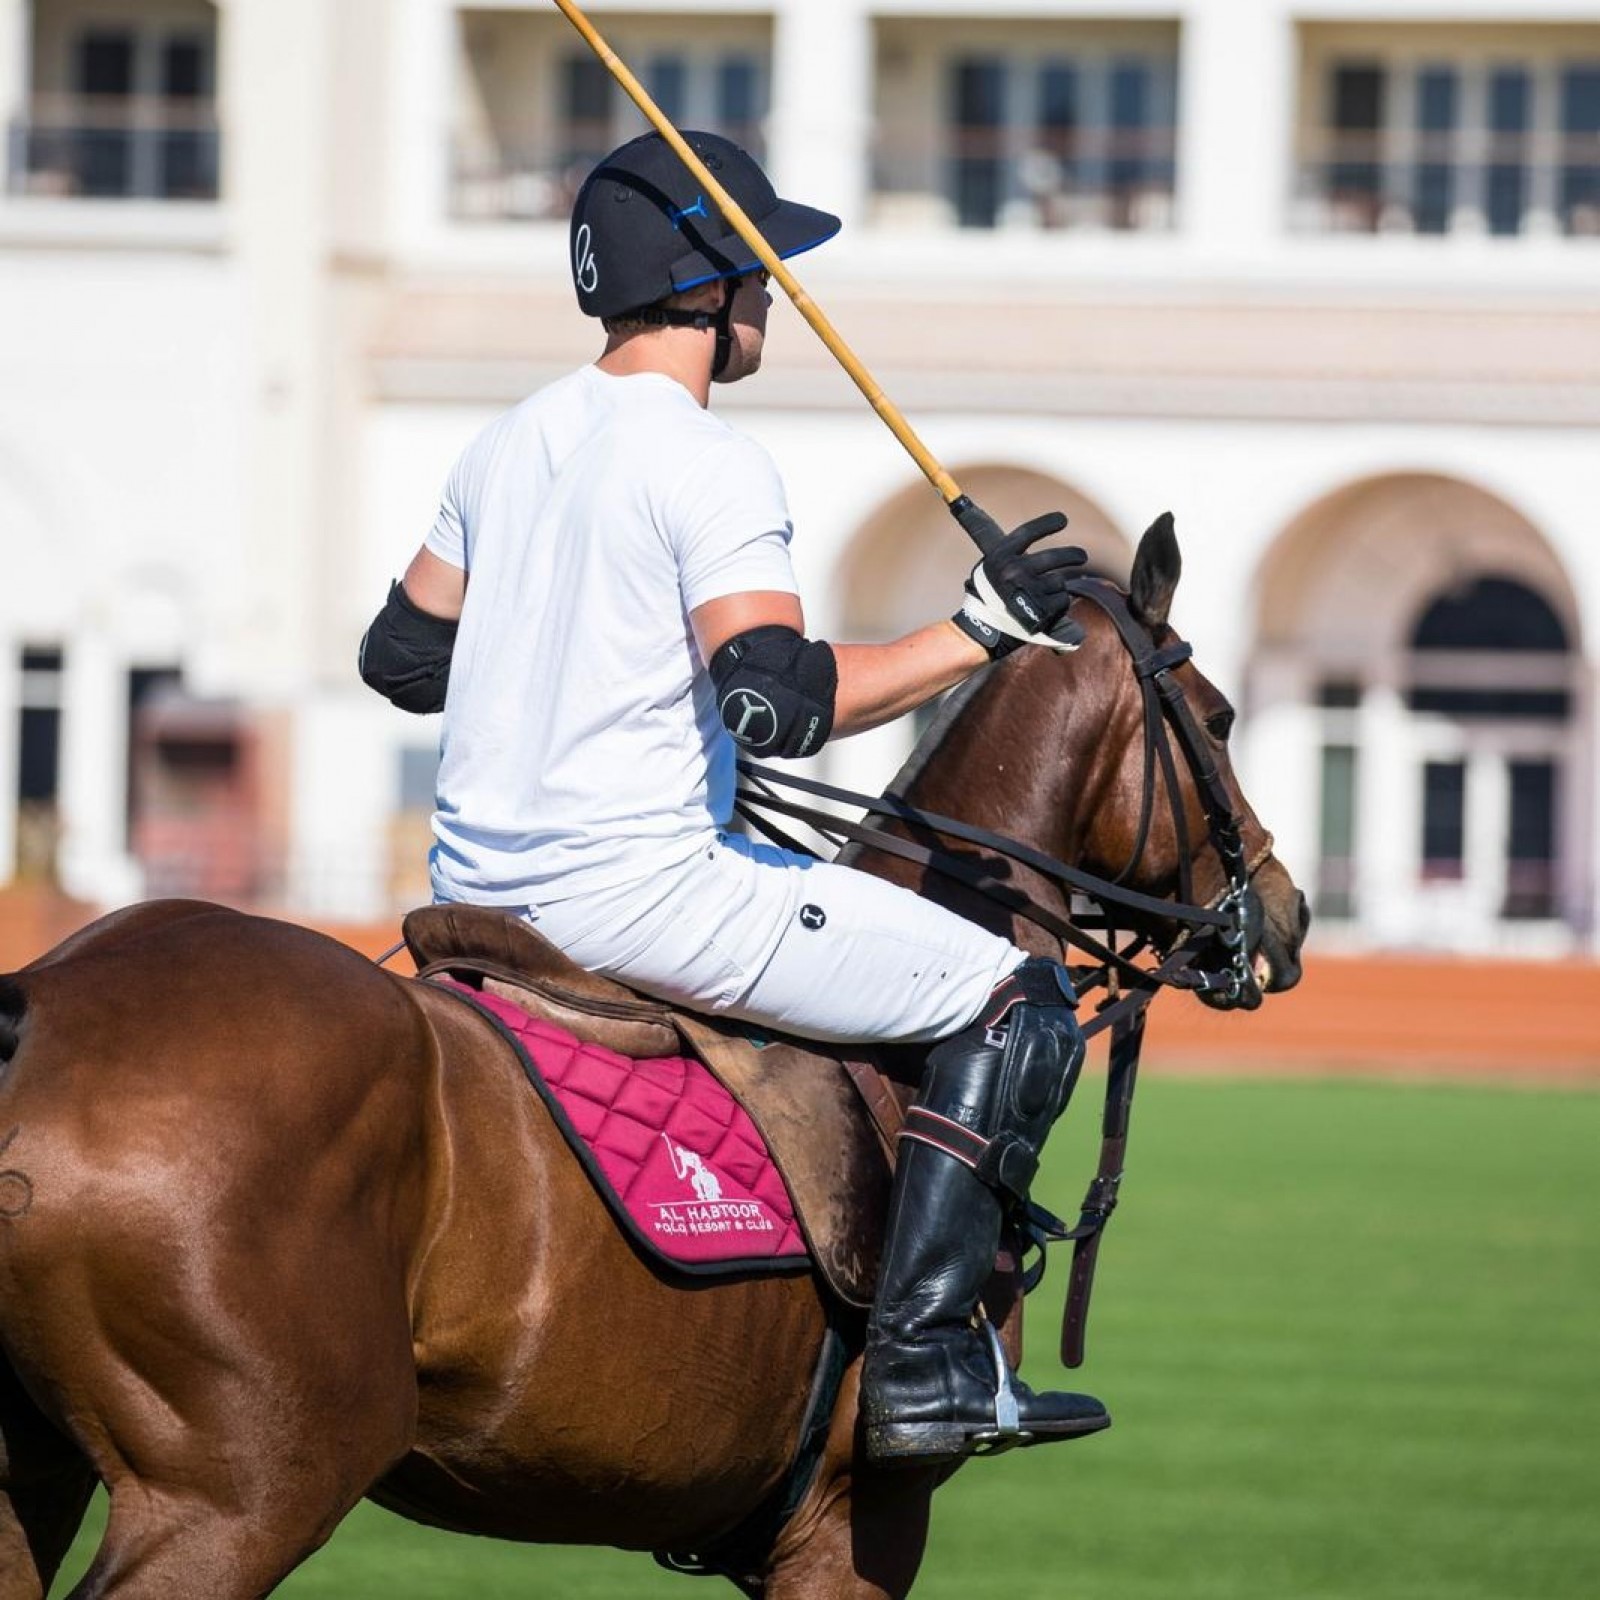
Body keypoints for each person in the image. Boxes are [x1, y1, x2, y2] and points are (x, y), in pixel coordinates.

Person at [359, 130, 1108, 1467]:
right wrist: (977, 633)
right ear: (705, 286)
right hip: (640, 899)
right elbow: (782, 703)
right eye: (759, 273)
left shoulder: (506, 440)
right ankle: (931, 1361)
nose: (772, 299)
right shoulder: (709, 462)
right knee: (1020, 997)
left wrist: (581, 661)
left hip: (468, 900)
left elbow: (402, 659)